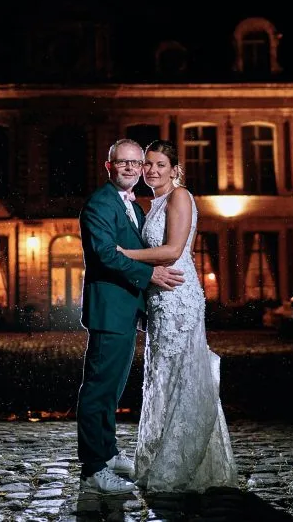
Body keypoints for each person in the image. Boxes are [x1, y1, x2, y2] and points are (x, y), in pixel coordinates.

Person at [117, 139, 238, 493]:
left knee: (182, 373)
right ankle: (160, 455)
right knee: (162, 376)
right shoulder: (152, 204)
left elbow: (171, 250)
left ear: (174, 169)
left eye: (160, 165)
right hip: (159, 298)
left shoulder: (180, 196)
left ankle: (180, 462)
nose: (152, 170)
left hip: (179, 297)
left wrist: (124, 254)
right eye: (148, 165)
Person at [77, 138, 185, 495]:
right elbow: (106, 255)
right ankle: (93, 468)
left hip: (125, 308)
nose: (130, 168)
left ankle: (107, 454)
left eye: (136, 163)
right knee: (98, 389)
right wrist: (150, 276)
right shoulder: (99, 203)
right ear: (109, 166)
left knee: (112, 389)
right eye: (122, 162)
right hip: (109, 309)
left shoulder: (134, 207)